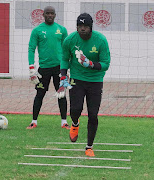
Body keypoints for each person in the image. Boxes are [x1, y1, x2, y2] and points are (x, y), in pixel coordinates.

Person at [56, 13, 111, 156]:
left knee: (93, 114)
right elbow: (64, 58)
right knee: (75, 110)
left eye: (85, 26)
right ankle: (75, 124)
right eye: (80, 26)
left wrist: (91, 64)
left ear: (91, 27)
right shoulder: (70, 40)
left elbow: (106, 64)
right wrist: (63, 76)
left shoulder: (100, 40)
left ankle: (89, 147)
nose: (82, 29)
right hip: (77, 79)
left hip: (95, 81)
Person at [27, 6, 70, 130]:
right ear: (43, 15)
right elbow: (31, 48)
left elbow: (67, 50)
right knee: (39, 94)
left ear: (55, 15)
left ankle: (64, 122)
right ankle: (34, 121)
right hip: (44, 69)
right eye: (47, 13)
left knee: (61, 93)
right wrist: (31, 67)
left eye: (52, 13)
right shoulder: (37, 30)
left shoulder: (61, 30)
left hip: (59, 68)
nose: (50, 15)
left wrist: (67, 68)